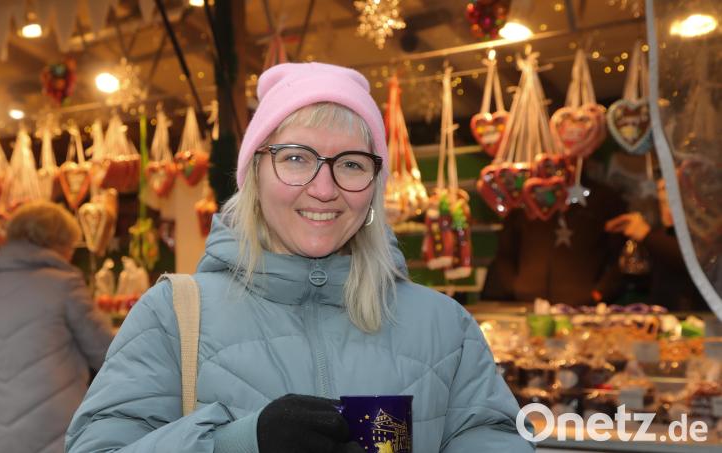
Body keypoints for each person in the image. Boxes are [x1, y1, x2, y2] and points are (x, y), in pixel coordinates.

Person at [66, 63, 532, 452]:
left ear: (373, 187)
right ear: (255, 174)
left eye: (351, 163)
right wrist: (240, 443)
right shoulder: (172, 316)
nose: (324, 189)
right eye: (295, 158)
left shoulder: (444, 326)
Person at [0, 201, 113, 453]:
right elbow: (108, 354)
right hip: (54, 433)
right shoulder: (65, 286)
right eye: (70, 245)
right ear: (56, 243)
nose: (71, 254)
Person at [482, 172, 628, 306]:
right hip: (527, 303)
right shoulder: (523, 198)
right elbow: (505, 253)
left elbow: (621, 259)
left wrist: (597, 294)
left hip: (581, 307)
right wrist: (514, 287)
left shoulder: (604, 199)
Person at [605, 179, 706, 311]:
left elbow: (694, 259)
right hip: (663, 315)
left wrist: (645, 234)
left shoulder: (705, 236)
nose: (664, 200)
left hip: (695, 318)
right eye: (661, 192)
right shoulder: (663, 235)